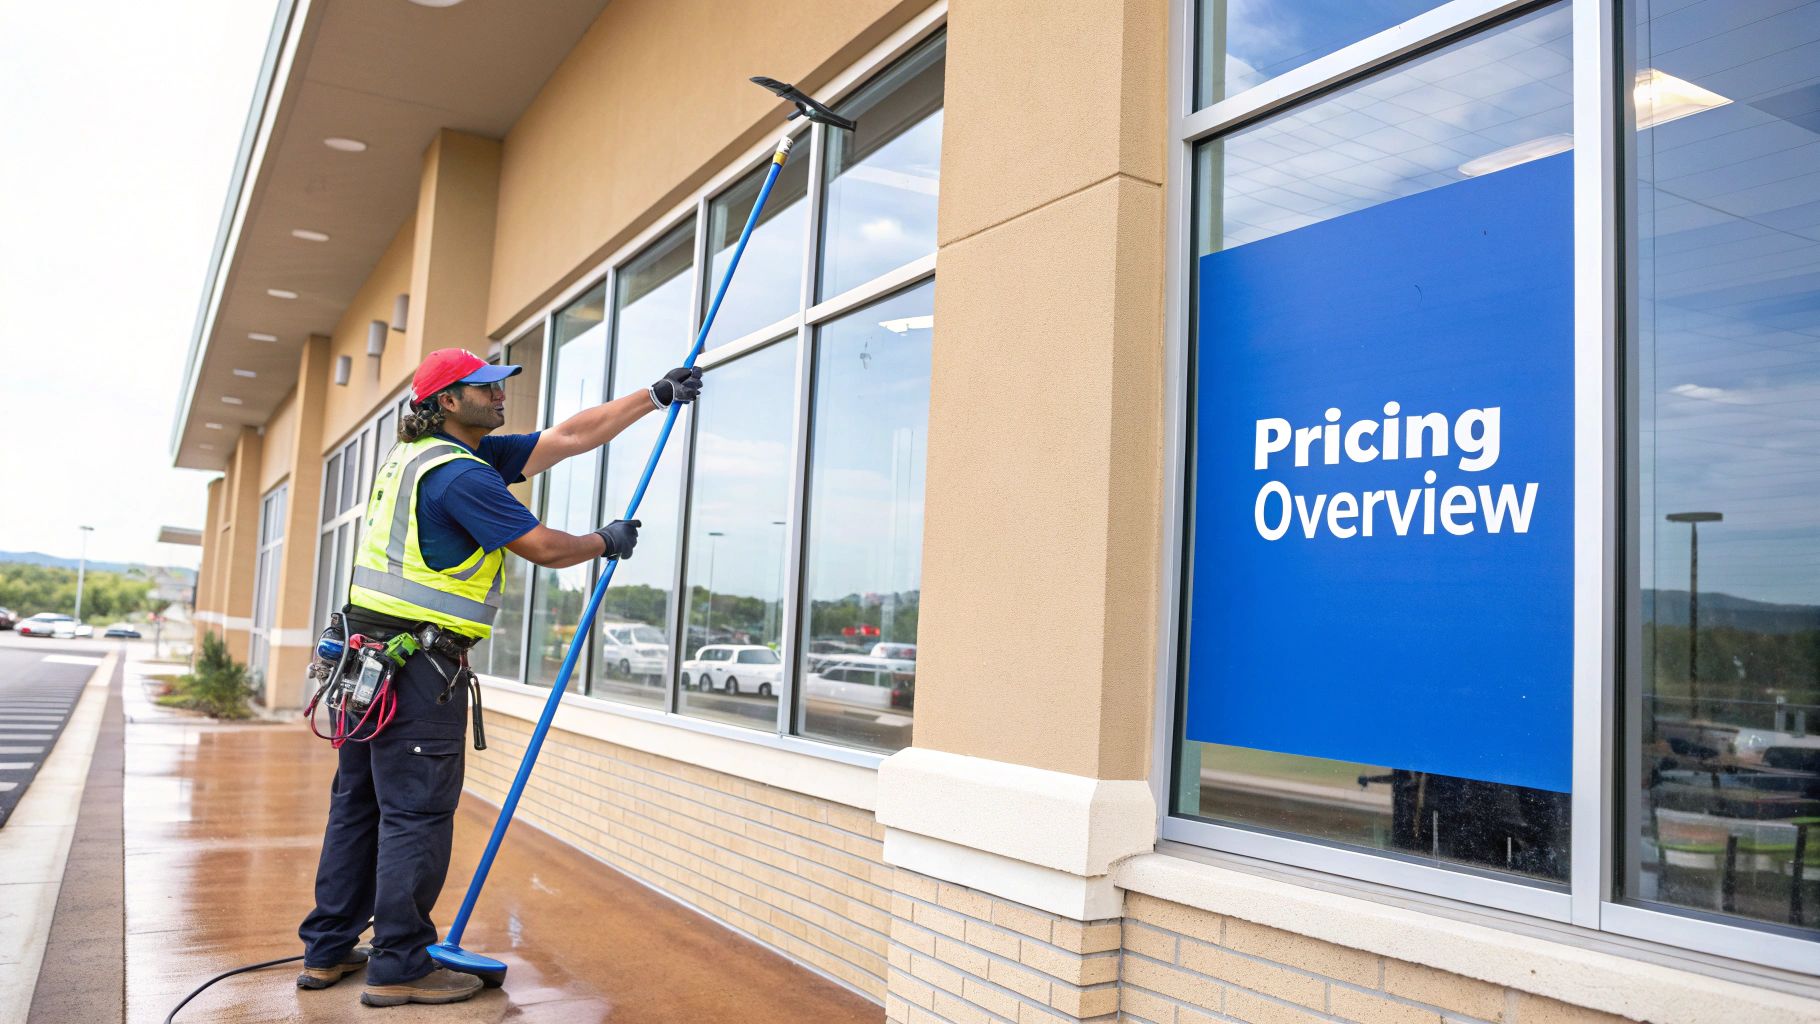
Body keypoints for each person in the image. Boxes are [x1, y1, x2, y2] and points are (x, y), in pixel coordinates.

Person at [296, 347, 701, 1007]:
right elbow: (542, 547)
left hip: (365, 665)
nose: (499, 392)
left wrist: (652, 396)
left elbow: (568, 437)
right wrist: (605, 540)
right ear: (447, 402)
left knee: (360, 808)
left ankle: (331, 947)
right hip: (415, 670)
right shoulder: (460, 477)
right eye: (483, 386)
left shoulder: (429, 457)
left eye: (498, 383)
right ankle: (399, 963)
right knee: (414, 815)